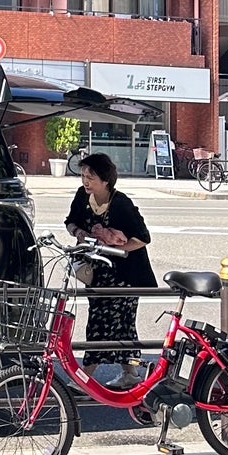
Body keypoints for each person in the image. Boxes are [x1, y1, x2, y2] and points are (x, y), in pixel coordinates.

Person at [65, 151, 155, 385]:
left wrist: (120, 246)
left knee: (101, 324)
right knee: (123, 327)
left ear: (105, 180)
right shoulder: (82, 197)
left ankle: (85, 378)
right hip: (98, 272)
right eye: (83, 175)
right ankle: (131, 374)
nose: (85, 181)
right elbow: (70, 221)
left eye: (91, 177)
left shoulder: (121, 203)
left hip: (124, 275)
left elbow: (144, 237)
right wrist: (80, 234)